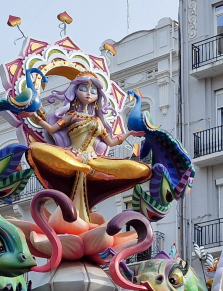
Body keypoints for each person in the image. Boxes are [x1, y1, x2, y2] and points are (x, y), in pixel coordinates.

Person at [29, 72, 150, 228]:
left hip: (93, 160)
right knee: (35, 149)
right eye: (84, 89)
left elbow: (111, 142)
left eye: (93, 91)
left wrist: (130, 133)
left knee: (141, 169)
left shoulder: (98, 120)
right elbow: (52, 129)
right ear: (75, 91)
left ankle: (85, 171)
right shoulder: (71, 115)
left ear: (97, 97)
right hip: (71, 156)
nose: (88, 93)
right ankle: (83, 169)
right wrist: (36, 118)